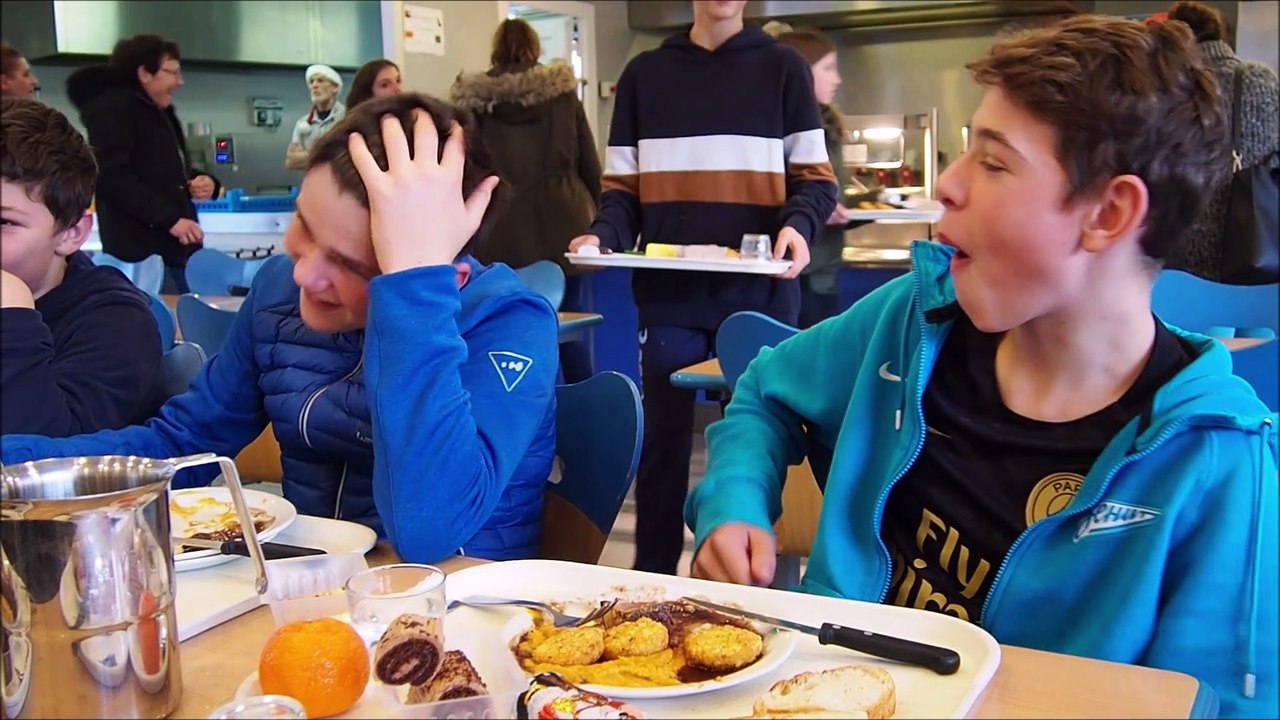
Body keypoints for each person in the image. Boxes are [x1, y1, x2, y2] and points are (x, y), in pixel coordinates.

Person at [686, 15, 1276, 719]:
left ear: (1109, 212)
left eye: (994, 163)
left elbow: (1220, 702)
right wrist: (734, 501)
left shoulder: (1215, 459)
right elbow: (764, 391)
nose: (947, 183)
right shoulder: (914, 318)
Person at [2, 93, 560, 564]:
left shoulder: (511, 321)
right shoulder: (277, 291)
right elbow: (181, 447)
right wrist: (17, 466)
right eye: (304, 226)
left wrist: (413, 294)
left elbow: (429, 533)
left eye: (352, 265)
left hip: (469, 611)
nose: (304, 274)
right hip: (314, 588)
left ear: (443, 276)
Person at [568, 0, 837, 575]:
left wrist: (797, 228)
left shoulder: (784, 69)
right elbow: (621, 195)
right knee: (663, 449)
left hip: (761, 297)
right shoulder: (644, 76)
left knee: (769, 446)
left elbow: (816, 182)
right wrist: (600, 237)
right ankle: (653, 584)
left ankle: (759, 582)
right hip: (671, 298)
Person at [451, 17, 602, 382]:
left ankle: (520, 399)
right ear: (535, 48)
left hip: (499, 225)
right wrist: (598, 219)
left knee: (505, 323)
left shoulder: (476, 104)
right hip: (564, 221)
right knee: (569, 323)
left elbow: (465, 169)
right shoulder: (562, 96)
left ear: (496, 50)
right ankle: (583, 399)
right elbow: (588, 162)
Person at [1, 98, 163, 436]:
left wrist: (12, 314)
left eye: (5, 222)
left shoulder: (116, 323)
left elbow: (48, 453)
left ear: (71, 233)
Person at [66, 34, 221, 295]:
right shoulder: (112, 110)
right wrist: (170, 219)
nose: (179, 81)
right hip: (142, 254)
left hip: (177, 248)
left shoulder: (160, 110)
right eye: (172, 72)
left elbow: (166, 168)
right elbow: (112, 177)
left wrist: (204, 182)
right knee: (159, 316)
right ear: (144, 73)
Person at [1158, 1, 1279, 282]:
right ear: (1220, 36)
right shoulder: (1261, 78)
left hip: (1182, 239)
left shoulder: (1171, 84)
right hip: (1252, 233)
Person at [773, 28, 864, 328]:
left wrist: (871, 204)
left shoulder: (827, 125)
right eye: (828, 68)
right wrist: (813, 210)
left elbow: (831, 196)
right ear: (801, 72)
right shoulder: (779, 127)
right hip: (796, 274)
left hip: (823, 273)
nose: (837, 79)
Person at [286, 64, 346, 170]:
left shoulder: (347, 118)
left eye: (320, 81)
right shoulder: (302, 122)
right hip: (312, 179)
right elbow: (291, 162)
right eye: (311, 82)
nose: (314, 85)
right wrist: (328, 155)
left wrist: (306, 156)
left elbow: (347, 156)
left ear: (335, 88)